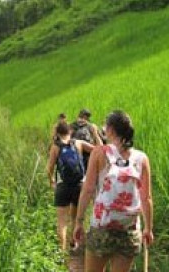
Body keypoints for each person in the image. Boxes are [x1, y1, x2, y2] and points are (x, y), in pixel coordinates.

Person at [73, 111, 154, 272]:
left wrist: (79, 222)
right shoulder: (141, 158)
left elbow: (88, 190)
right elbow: (147, 198)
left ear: (110, 130)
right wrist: (148, 229)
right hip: (129, 231)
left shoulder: (99, 153)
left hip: (102, 228)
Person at [46, 122, 95, 253]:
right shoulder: (78, 143)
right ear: (69, 132)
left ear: (57, 132)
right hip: (79, 185)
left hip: (62, 186)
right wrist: (95, 133)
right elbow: (97, 150)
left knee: (62, 221)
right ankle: (74, 243)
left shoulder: (55, 147)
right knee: (75, 217)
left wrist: (51, 181)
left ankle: (62, 252)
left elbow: (49, 168)